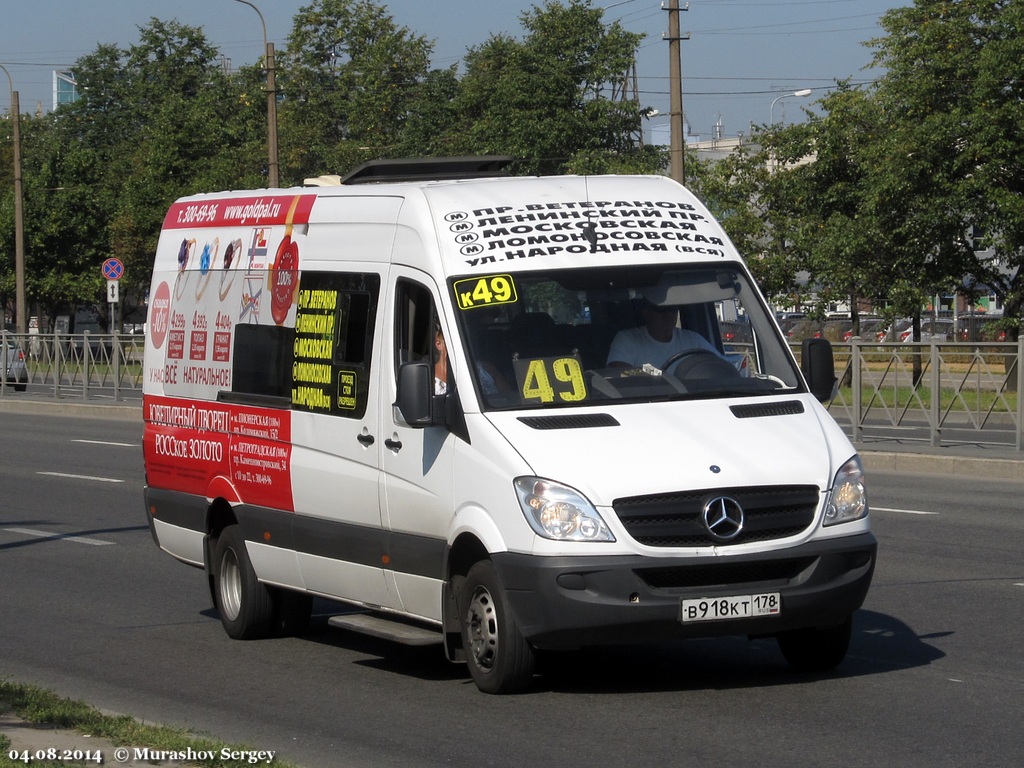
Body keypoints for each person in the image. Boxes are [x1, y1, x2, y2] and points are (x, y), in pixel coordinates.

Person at [607, 300, 720, 369]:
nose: (668, 316)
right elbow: (619, 374)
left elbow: (724, 367)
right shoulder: (627, 340)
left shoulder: (693, 340)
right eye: (661, 311)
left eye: (672, 310)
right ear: (647, 313)